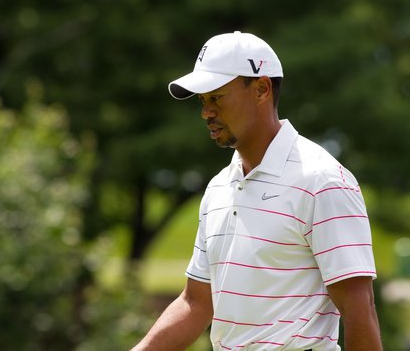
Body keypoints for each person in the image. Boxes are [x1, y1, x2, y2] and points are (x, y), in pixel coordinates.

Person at [132, 31, 382, 350]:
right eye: (203, 101)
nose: (206, 112)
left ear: (262, 89)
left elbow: (360, 311)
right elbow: (196, 302)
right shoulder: (219, 187)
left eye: (217, 97)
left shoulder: (322, 181)